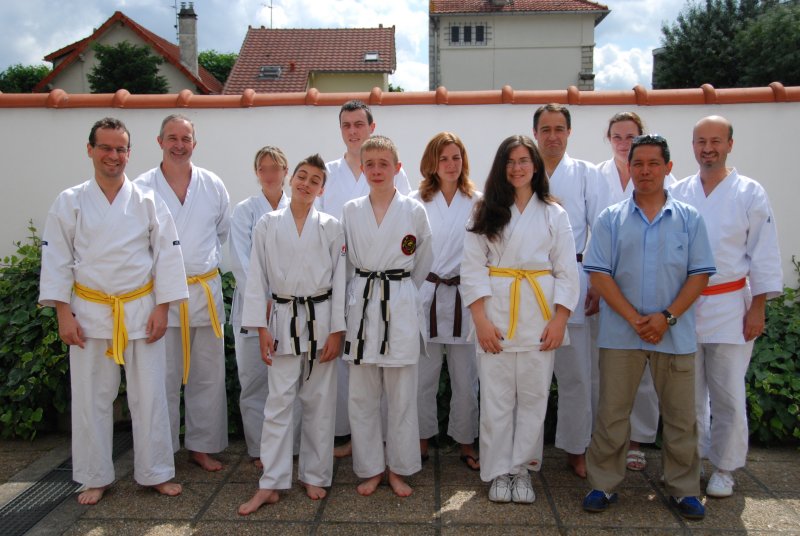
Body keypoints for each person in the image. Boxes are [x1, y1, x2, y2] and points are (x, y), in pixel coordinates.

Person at [39, 117, 188, 504]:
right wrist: (62, 313)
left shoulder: (146, 200)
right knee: (91, 399)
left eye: (121, 149)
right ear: (89, 149)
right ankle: (94, 475)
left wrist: (163, 307)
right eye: (105, 147)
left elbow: (168, 255)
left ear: (129, 153)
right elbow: (56, 260)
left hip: (141, 309)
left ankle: (154, 472)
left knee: (151, 396)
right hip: (89, 312)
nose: (113, 156)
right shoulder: (69, 201)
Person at [583, 134, 715, 520]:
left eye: (653, 163)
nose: (644, 171)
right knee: (612, 413)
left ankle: (684, 488)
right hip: (621, 332)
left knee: (680, 417)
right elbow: (599, 274)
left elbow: (699, 274)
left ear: (668, 168)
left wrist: (666, 317)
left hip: (674, 332)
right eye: (637, 163)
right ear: (630, 167)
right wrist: (632, 317)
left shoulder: (689, 218)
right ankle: (603, 484)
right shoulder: (611, 218)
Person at [461, 135, 579, 503]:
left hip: (539, 318)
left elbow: (567, 272)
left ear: (535, 165)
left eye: (524, 160)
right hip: (495, 314)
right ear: (501, 166)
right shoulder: (484, 208)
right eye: (510, 161)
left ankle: (522, 469)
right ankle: (498, 471)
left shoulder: (553, 212)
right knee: (496, 399)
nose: (517, 168)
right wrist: (479, 321)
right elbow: (472, 268)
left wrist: (560, 320)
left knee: (533, 397)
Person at [670, 116, 782, 498]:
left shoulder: (750, 192)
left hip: (732, 304)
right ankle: (691, 461)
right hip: (685, 306)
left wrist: (758, 307)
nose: (708, 148)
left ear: (730, 144)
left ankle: (725, 467)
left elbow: (763, 252)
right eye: (701, 141)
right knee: (688, 393)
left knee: (729, 393)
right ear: (693, 145)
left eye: (715, 140)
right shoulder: (680, 190)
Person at [237, 154, 346, 514]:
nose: (306, 184)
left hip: (321, 316)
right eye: (302, 176)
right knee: (278, 402)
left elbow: (342, 282)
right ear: (290, 179)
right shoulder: (267, 225)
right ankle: (271, 481)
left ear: (322, 189)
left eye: (315, 180)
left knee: (319, 400)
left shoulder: (331, 226)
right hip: (283, 317)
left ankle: (314, 473)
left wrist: (337, 331)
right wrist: (261, 327)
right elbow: (257, 279)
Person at [135, 114, 230, 471]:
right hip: (161, 297)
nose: (179, 144)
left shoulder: (212, 185)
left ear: (195, 143)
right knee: (163, 376)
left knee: (207, 373)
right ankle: (162, 449)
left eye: (185, 138)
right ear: (159, 141)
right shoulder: (142, 186)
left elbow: (220, 232)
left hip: (204, 289)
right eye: (172, 137)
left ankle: (202, 446)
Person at [318, 99, 412, 459]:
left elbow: (412, 237)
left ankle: (389, 444)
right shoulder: (328, 172)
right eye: (346, 125)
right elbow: (322, 228)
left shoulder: (393, 171)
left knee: (388, 363)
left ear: (372, 127)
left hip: (388, 281)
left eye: (359, 124)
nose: (353, 131)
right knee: (350, 367)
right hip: (344, 279)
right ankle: (352, 437)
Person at [340, 135, 433, 497]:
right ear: (361, 169)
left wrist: (399, 288)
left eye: (383, 164)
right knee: (362, 396)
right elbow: (345, 263)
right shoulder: (350, 210)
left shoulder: (414, 210)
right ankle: (370, 467)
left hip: (398, 300)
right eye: (370, 164)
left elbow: (423, 261)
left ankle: (399, 467)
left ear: (397, 168)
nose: (376, 170)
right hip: (363, 303)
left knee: (402, 395)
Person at [595, 111, 676, 472]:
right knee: (608, 369)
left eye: (630, 136)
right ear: (609, 139)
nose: (623, 142)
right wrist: (593, 283)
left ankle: (639, 439)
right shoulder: (594, 176)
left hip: (655, 290)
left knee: (646, 373)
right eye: (616, 136)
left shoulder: (666, 186)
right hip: (605, 284)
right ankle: (603, 442)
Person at [532, 104, 608, 478]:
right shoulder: (521, 170)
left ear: (569, 132)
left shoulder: (586, 174)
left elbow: (603, 230)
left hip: (573, 275)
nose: (552, 136)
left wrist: (595, 279)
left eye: (559, 128)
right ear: (535, 134)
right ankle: (527, 452)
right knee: (530, 376)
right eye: (545, 129)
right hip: (526, 280)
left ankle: (577, 449)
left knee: (576, 374)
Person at [412, 132, 481, 470]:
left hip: (464, 299)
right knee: (423, 376)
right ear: (432, 164)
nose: (451, 164)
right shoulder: (416, 201)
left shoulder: (478, 202)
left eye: (456, 157)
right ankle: (421, 438)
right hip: (427, 294)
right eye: (444, 159)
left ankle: (466, 441)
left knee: (466, 377)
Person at [229, 146, 290, 466]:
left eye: (275, 168)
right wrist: (261, 299)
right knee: (254, 381)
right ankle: (258, 449)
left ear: (286, 171)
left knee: (288, 381)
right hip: (252, 308)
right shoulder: (244, 211)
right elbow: (240, 261)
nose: (269, 174)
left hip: (290, 306)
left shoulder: (299, 208)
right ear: (257, 173)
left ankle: (288, 447)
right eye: (263, 168)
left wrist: (281, 297)